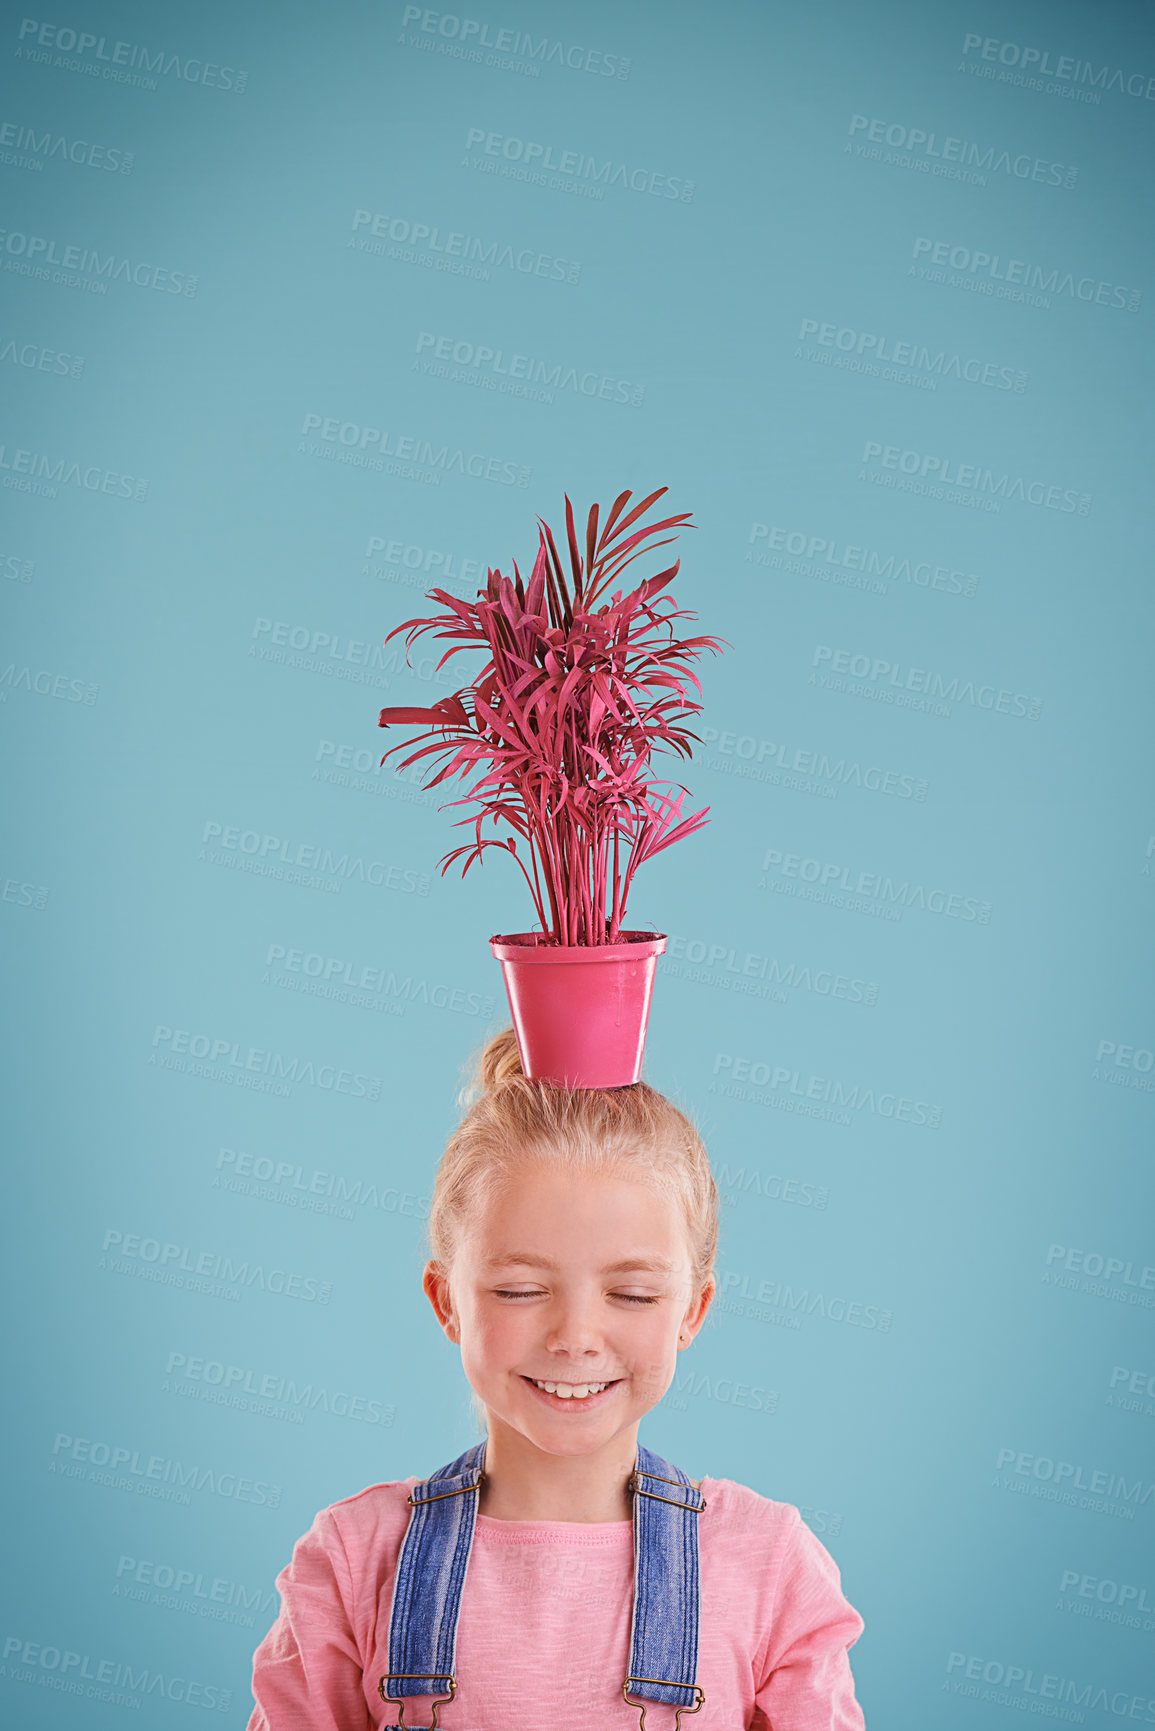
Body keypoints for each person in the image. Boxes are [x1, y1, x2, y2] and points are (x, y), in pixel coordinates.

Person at [247, 1029, 866, 1729]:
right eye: (518, 1289)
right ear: (447, 1300)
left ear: (691, 1310)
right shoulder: (354, 1563)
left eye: (631, 1294)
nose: (574, 1337)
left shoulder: (769, 1569)